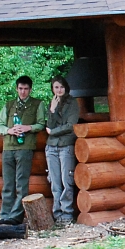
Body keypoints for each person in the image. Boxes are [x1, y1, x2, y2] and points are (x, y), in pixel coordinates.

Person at [0, 75, 47, 225]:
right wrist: (9, 130)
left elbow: (41, 124)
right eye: (20, 88)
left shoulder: (38, 104)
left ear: (30, 89)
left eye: (26, 89)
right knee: (8, 184)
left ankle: (15, 217)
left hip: (25, 147)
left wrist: (27, 127)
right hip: (8, 147)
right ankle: (5, 215)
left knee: (21, 184)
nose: (23, 92)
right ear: (16, 89)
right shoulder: (9, 105)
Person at [43, 76, 80, 224]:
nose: (59, 90)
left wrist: (53, 132)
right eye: (56, 87)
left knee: (67, 181)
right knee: (54, 182)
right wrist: (52, 110)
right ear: (52, 89)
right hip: (51, 146)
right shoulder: (52, 102)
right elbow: (49, 125)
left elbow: (70, 125)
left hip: (66, 145)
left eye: (61, 87)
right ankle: (57, 214)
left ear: (66, 88)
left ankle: (67, 214)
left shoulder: (72, 102)